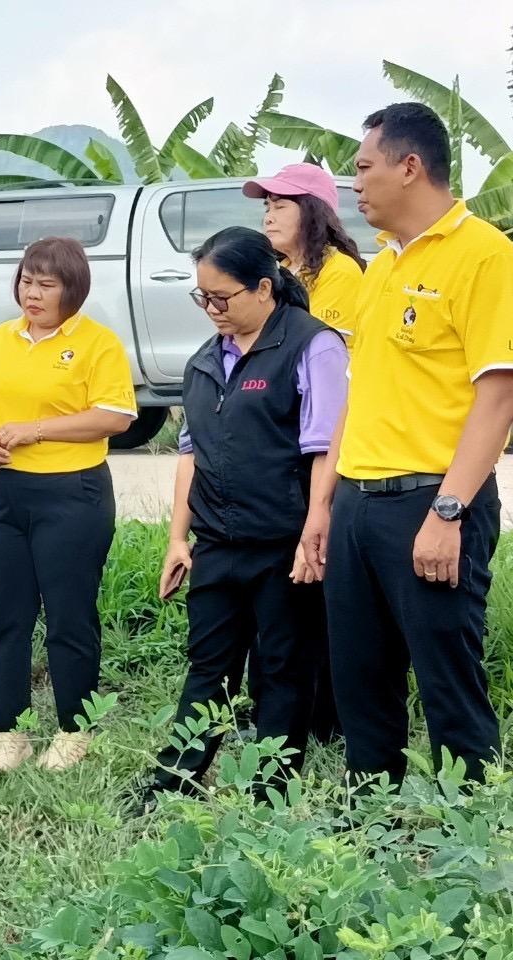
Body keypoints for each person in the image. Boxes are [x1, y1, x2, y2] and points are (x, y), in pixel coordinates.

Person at [301, 103, 513, 786]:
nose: (354, 185)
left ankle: (472, 854)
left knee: (449, 686)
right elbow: (357, 394)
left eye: (364, 167)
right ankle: (372, 836)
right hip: (360, 507)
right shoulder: (382, 269)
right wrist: (325, 505)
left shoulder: (485, 255)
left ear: (410, 166)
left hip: (431, 501)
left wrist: (448, 513)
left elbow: (499, 394)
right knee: (362, 686)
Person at [135, 227, 348, 809]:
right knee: (209, 667)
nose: (212, 310)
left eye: (221, 298)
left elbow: (326, 447)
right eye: (202, 298)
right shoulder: (207, 359)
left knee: (283, 669)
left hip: (285, 543)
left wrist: (315, 527)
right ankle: (175, 782)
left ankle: (270, 792)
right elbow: (190, 453)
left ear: (263, 288)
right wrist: (178, 539)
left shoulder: (312, 345)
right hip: (218, 543)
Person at [0, 236, 136, 774]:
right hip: (4, 493)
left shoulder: (96, 343)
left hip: (72, 495)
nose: (31, 293)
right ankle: (9, 731)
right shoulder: (2, 337)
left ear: (72, 289)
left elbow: (115, 415)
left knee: (69, 617)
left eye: (45, 284)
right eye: (26, 281)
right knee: (5, 615)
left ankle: (73, 729)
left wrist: (35, 430)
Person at [242, 162, 367, 744]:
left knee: (312, 583)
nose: (268, 212)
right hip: (277, 444)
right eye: (264, 203)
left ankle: (322, 717)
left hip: (318, 445)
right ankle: (277, 708)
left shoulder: (338, 275)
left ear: (313, 212)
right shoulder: (273, 273)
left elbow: (327, 363)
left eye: (282, 204)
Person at [244, 163, 366, 340]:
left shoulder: (339, 270)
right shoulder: (280, 268)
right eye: (267, 208)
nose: (268, 218)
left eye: (280, 207)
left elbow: (321, 348)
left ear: (313, 212)